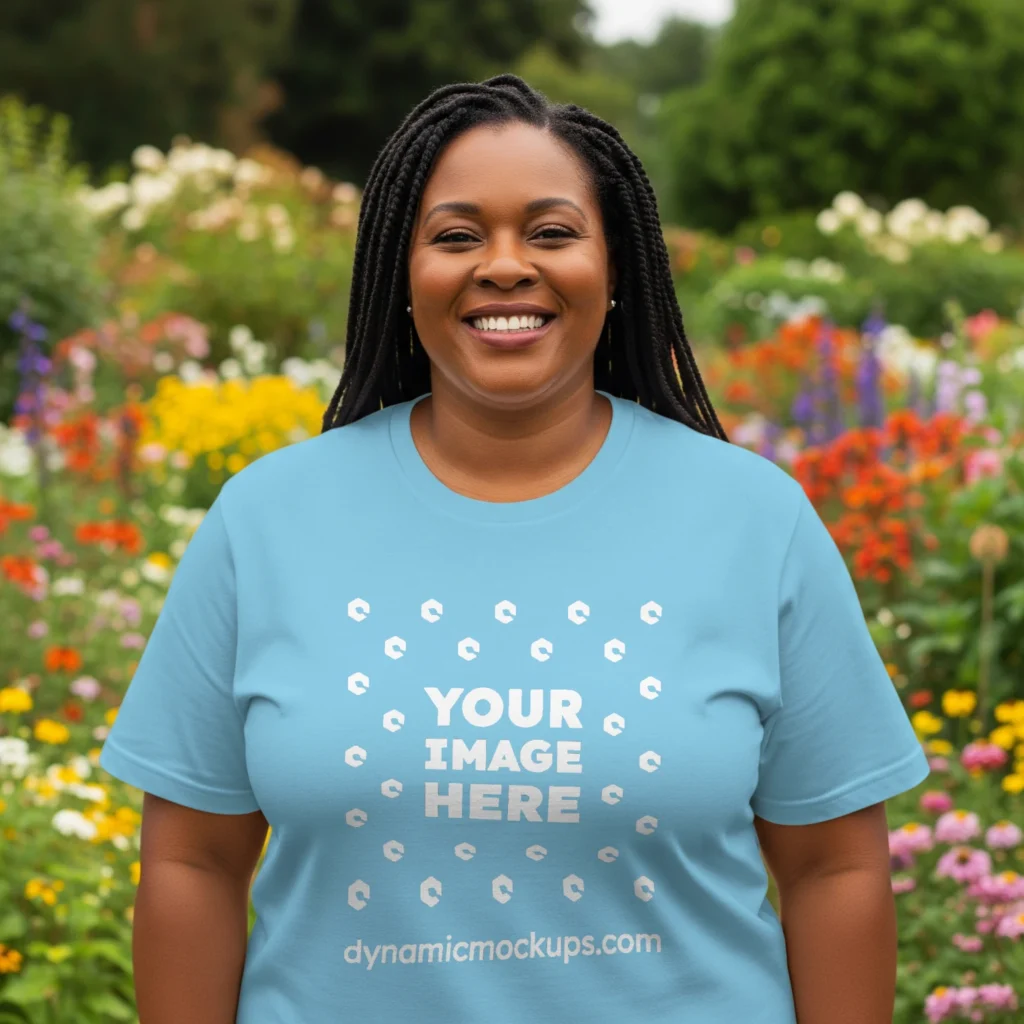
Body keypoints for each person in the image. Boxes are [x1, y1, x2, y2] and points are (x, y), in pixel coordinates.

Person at [99, 73, 930, 1024]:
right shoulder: (265, 520)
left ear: (616, 268)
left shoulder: (755, 520)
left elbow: (834, 869)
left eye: (552, 232)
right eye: (456, 236)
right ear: (399, 273)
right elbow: (193, 861)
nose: (504, 266)